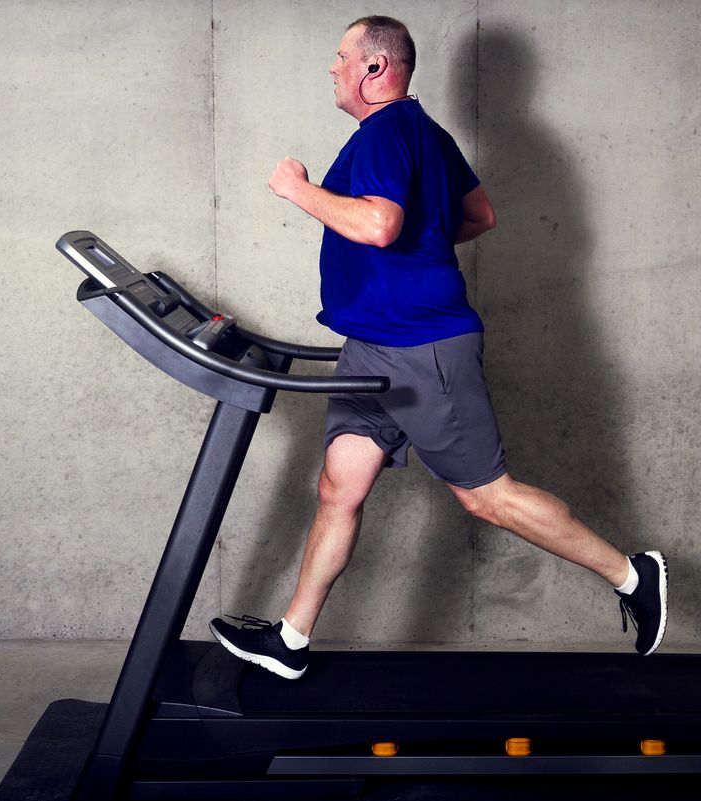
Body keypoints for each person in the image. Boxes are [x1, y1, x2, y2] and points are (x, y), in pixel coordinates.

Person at [211, 16, 667, 679]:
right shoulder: (425, 132)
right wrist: (419, 244)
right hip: (372, 343)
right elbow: (479, 215)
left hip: (422, 348)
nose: (332, 68)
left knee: (488, 497)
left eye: (341, 57)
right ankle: (292, 639)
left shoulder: (387, 132)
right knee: (340, 487)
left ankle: (632, 575)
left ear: (374, 69)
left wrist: (298, 190)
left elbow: (378, 223)